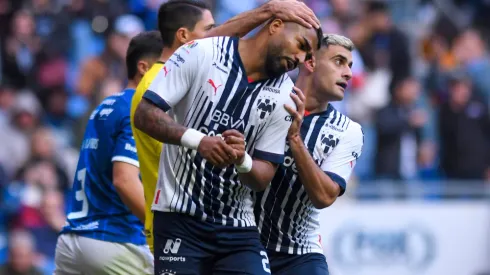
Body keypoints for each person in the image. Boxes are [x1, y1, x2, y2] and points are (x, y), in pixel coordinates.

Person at [134, 14, 323, 274]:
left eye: (308, 55)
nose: (300, 59)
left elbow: (262, 177)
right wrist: (199, 142)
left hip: (237, 228)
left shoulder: (286, 98)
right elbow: (144, 115)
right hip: (179, 217)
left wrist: (242, 160)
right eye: (301, 45)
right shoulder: (202, 52)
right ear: (275, 26)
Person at [54, 31, 163, 275]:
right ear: (144, 68)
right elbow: (124, 179)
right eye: (166, 66)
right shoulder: (138, 110)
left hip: (73, 240)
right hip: (114, 241)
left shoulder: (105, 105)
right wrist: (161, 227)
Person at [254, 34, 364, 275]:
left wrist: (295, 140)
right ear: (311, 62)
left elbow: (324, 197)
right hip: (243, 243)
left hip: (299, 253)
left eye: (350, 66)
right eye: (339, 62)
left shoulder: (347, 131)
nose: (348, 73)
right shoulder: (266, 98)